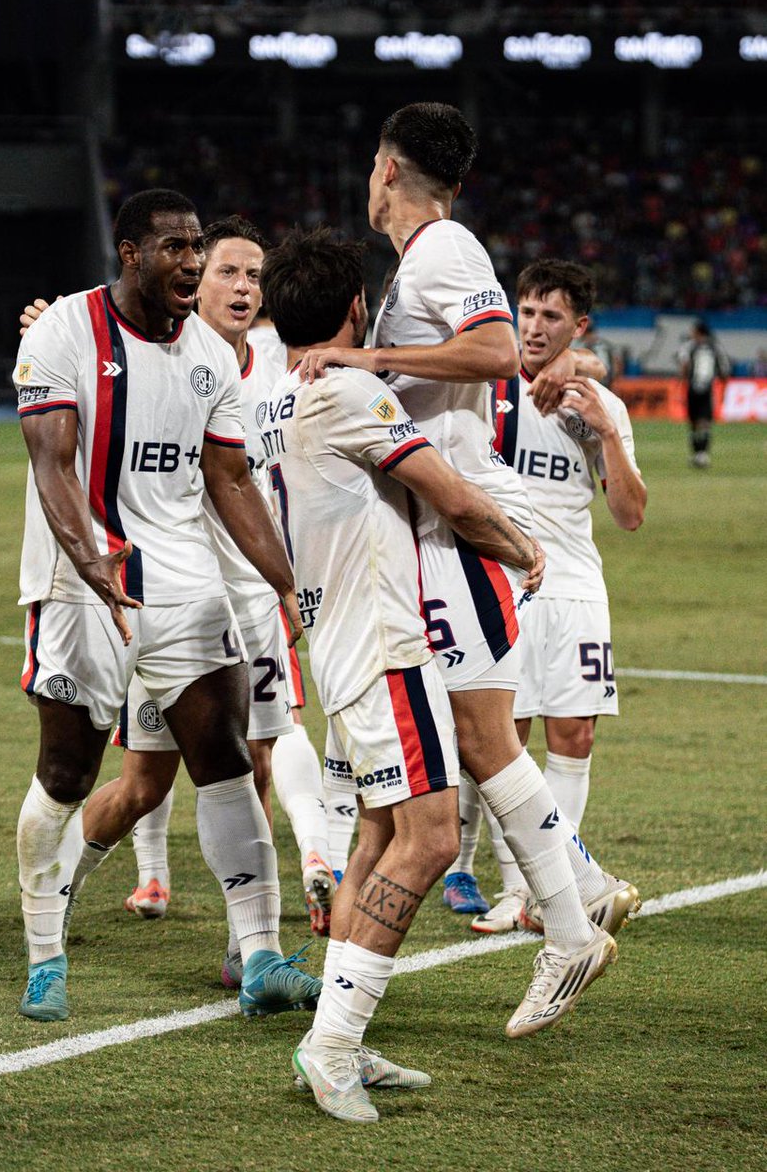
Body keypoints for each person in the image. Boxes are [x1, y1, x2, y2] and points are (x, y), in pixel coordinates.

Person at [298, 102, 626, 1035]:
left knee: (484, 744)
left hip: (460, 530)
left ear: (389, 170)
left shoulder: (443, 250)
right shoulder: (419, 267)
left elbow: (492, 352)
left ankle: (570, 928)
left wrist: (368, 352)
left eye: (371, 163)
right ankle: (579, 908)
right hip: (430, 539)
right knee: (461, 757)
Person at [12, 188, 321, 1022]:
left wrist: (285, 579)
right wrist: (95, 565)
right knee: (69, 771)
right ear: (130, 252)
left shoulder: (211, 357)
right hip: (82, 585)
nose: (191, 262)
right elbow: (52, 466)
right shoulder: (63, 332)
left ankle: (259, 956)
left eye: (197, 246)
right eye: (176, 248)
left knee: (224, 755)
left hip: (183, 581)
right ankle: (45, 951)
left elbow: (229, 479)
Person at [258, 228, 544, 1122]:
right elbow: (448, 495)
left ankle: (339, 1035)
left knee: (381, 838)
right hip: (384, 646)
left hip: (339, 643)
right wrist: (523, 548)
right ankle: (334, 1044)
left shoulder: (278, 392)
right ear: (353, 312)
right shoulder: (343, 389)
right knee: (430, 840)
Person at [475, 258, 645, 934]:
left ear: (578, 326)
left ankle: (557, 896)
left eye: (551, 316)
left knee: (573, 735)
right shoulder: (482, 387)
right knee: (502, 737)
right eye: (527, 312)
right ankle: (522, 889)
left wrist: (605, 429)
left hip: (573, 585)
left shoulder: (599, 408)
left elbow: (630, 514)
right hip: (501, 578)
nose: (535, 327)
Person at [678, 320, 729, 468]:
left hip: (693, 388)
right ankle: (703, 455)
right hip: (708, 388)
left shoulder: (689, 346)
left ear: (698, 331)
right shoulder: (715, 347)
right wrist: (724, 386)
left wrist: (681, 383)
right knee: (705, 422)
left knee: (694, 422)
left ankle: (697, 454)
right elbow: (724, 369)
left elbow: (684, 365)